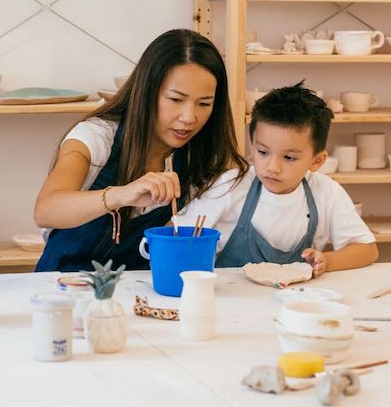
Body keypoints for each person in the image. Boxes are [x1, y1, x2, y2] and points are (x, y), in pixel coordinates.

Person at [34, 29, 247, 272]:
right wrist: (122, 195)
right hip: (65, 292)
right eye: (176, 99)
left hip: (143, 298)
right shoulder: (96, 137)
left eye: (204, 104)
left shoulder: (201, 158)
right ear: (146, 91)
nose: (189, 118)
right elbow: (46, 210)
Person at [176, 83, 379, 277]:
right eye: (263, 152)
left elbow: (367, 250)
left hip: (294, 302)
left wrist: (327, 261)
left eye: (289, 157)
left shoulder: (326, 192)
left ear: (317, 161)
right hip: (233, 300)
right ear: (252, 144)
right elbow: (175, 233)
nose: (273, 167)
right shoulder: (232, 185)